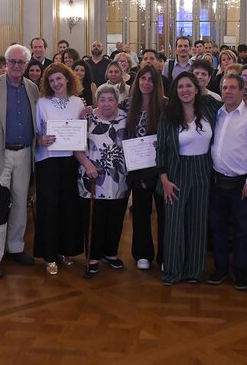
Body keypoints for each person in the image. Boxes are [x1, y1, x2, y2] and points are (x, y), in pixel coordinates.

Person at [0, 44, 40, 278]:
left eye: (20, 62)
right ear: (5, 63)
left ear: (26, 65)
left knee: (20, 202)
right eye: (12, 62)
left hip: (25, 153)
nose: (16, 66)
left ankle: (15, 248)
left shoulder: (32, 88)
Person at [157, 72, 218, 285]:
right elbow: (162, 150)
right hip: (176, 173)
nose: (185, 90)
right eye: (180, 87)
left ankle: (193, 271)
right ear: (175, 91)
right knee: (174, 224)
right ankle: (172, 272)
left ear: (196, 88)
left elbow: (233, 103)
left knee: (197, 223)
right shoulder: (168, 116)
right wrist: (164, 179)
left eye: (189, 86)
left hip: (203, 169)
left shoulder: (209, 107)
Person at [208, 74, 247, 290]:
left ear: (243, 91)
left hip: (242, 183)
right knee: (218, 228)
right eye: (225, 88)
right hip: (217, 180)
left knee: (243, 230)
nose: (228, 91)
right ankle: (221, 268)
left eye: (233, 88)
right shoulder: (217, 113)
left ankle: (240, 272)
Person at [34, 63, 85, 275]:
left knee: (68, 206)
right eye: (52, 80)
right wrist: (40, 139)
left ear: (67, 79)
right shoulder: (42, 103)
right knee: (49, 207)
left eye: (59, 79)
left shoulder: (77, 103)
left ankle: (65, 250)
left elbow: (82, 130)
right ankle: (49, 255)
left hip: (70, 160)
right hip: (48, 160)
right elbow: (35, 131)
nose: (56, 83)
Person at [76, 84, 130, 276]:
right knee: (94, 218)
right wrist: (87, 164)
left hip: (119, 176)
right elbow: (77, 145)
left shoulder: (126, 118)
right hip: (91, 174)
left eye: (111, 100)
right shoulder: (87, 117)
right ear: (96, 101)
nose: (107, 104)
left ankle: (110, 253)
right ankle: (93, 257)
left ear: (117, 101)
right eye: (102, 100)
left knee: (115, 216)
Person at [128, 65, 167, 270]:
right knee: (141, 211)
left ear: (156, 83)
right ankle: (142, 253)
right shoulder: (128, 105)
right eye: (143, 79)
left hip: (161, 168)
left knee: (164, 213)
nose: (146, 83)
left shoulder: (167, 105)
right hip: (138, 168)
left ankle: (165, 256)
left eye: (151, 79)